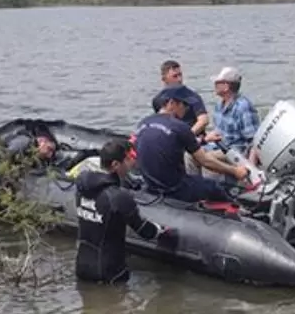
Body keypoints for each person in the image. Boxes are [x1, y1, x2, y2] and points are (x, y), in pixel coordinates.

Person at [74, 139, 175, 284]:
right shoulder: (118, 197)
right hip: (110, 272)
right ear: (115, 164)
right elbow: (145, 231)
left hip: (82, 268)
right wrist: (161, 230)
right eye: (127, 160)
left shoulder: (83, 188)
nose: (132, 164)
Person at [133, 86, 251, 203]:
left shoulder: (143, 124)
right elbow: (205, 161)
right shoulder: (179, 126)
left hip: (151, 187)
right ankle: (236, 212)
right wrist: (235, 171)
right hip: (174, 189)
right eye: (184, 105)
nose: (186, 110)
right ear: (171, 103)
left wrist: (204, 140)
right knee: (213, 186)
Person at [203, 66, 262, 167]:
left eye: (217, 83)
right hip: (218, 146)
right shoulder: (219, 106)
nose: (215, 85)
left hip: (235, 152)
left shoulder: (243, 107)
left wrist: (251, 168)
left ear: (226, 86)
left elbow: (254, 140)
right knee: (192, 154)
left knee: (206, 158)